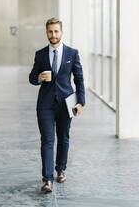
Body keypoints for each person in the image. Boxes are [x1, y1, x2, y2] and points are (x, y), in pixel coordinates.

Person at [29, 17, 85, 193]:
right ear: (46, 33)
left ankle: (60, 169)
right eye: (50, 31)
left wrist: (81, 102)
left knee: (63, 137)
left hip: (65, 104)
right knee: (47, 140)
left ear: (61, 32)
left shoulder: (72, 53)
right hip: (45, 104)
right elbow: (32, 77)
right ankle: (47, 179)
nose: (53, 35)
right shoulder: (40, 54)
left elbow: (79, 79)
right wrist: (38, 78)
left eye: (56, 31)